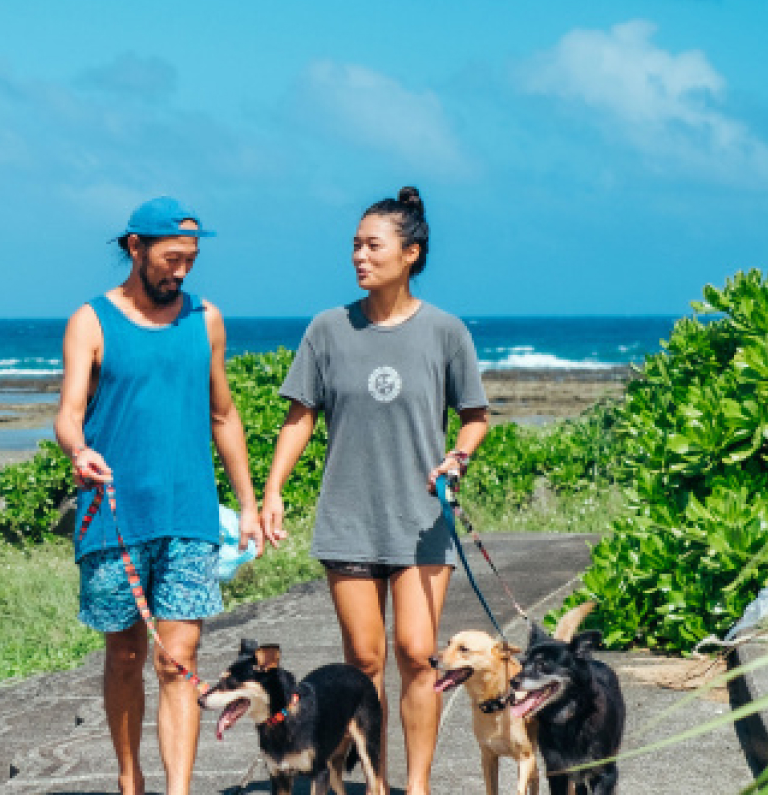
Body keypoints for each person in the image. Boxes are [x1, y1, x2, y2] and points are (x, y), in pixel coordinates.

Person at [260, 186, 488, 795]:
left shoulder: (446, 331)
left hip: (419, 520)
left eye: (373, 245)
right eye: (355, 245)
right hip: (349, 517)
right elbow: (300, 415)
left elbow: (474, 415)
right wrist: (273, 489)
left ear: (411, 253)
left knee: (418, 653)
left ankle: (417, 785)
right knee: (363, 663)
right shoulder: (328, 329)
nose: (360, 256)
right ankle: (377, 782)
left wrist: (458, 457)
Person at [56, 195, 266, 795]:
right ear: (134, 248)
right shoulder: (91, 321)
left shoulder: (207, 320)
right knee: (124, 654)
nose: (180, 271)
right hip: (113, 518)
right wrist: (79, 451)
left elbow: (223, 417)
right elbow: (69, 415)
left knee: (179, 660)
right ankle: (130, 779)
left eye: (190, 260)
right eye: (170, 258)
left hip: (189, 517)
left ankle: (178, 789)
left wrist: (248, 504)